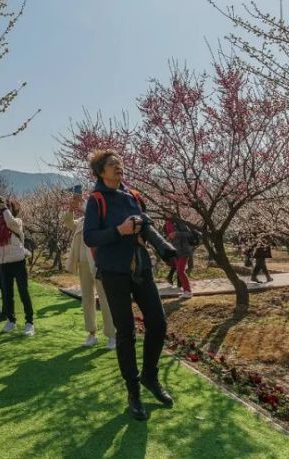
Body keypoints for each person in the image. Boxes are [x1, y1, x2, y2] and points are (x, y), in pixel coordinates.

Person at [83, 149, 177, 422]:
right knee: (126, 333)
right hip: (114, 272)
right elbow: (90, 237)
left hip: (141, 267)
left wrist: (164, 248)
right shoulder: (96, 200)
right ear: (101, 172)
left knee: (158, 324)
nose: (119, 167)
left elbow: (145, 224)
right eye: (112, 164)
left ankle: (150, 376)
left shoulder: (133, 196)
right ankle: (133, 392)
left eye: (120, 163)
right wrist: (118, 231)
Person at [65, 187, 116, 348]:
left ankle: (111, 335)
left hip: (98, 262)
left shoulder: (102, 220)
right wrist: (71, 208)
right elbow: (67, 222)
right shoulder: (81, 222)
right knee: (87, 298)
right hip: (83, 263)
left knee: (104, 298)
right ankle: (91, 333)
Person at [0, 194, 34, 336]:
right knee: (8, 294)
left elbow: (10, 222)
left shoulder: (17, 221)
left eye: (6, 206)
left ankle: (29, 322)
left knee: (23, 292)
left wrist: (4, 207)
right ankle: (11, 320)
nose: (2, 208)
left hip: (18, 261)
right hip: (3, 263)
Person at [166, 216, 196, 299]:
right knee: (179, 271)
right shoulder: (167, 223)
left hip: (184, 250)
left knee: (180, 271)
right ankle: (185, 291)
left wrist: (177, 233)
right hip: (175, 251)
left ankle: (188, 291)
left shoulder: (178, 221)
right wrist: (169, 238)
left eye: (168, 208)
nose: (166, 211)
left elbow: (189, 234)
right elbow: (169, 237)